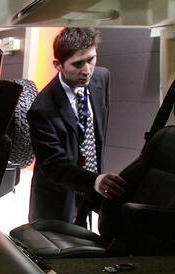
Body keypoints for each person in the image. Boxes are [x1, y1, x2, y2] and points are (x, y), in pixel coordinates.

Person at [27, 27, 126, 226]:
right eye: (78, 64)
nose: (87, 70)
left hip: (92, 186)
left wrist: (95, 179)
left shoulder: (101, 77)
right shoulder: (42, 108)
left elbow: (96, 133)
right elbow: (52, 166)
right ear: (58, 65)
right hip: (58, 193)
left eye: (91, 59)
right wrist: (93, 181)